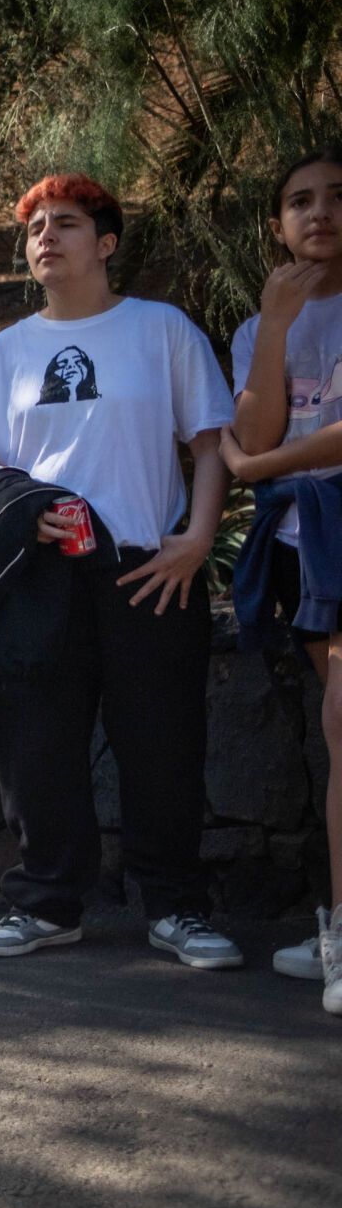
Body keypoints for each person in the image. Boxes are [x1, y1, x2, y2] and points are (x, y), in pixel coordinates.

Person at [0, 173, 240, 968]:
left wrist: (196, 537)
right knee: (37, 747)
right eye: (35, 226)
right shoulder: (7, 350)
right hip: (37, 573)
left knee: (163, 743)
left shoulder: (162, 330)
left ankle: (176, 908)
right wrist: (20, 504)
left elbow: (211, 442)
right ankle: (48, 903)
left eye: (67, 223)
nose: (46, 235)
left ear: (106, 243)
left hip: (150, 568)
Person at [218, 146, 342, 1011]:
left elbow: (260, 450)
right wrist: (271, 326)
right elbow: (256, 425)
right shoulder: (257, 323)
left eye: (337, 197)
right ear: (276, 224)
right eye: (300, 201)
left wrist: (250, 461)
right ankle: (336, 922)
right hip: (309, 543)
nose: (319, 213)